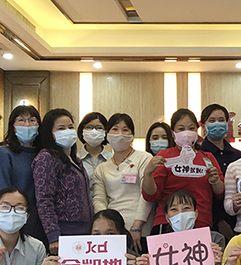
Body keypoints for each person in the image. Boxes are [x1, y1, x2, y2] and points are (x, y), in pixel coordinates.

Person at [142, 108, 225, 234]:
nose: (186, 133)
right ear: (173, 133)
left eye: (191, 128)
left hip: (201, 221)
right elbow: (151, 195)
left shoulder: (207, 158)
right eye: (181, 129)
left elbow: (220, 194)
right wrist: (148, 173)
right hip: (168, 222)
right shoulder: (164, 156)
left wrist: (215, 181)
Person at [32, 109, 92, 255]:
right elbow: (44, 199)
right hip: (63, 230)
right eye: (61, 128)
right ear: (50, 133)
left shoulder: (75, 159)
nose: (68, 131)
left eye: (70, 127)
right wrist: (53, 235)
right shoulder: (46, 157)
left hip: (84, 229)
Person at [92, 113, 153, 251]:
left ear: (132, 135)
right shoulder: (102, 168)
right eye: (115, 129)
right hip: (112, 231)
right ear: (107, 134)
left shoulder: (144, 158)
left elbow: (146, 194)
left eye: (125, 130)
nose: (120, 134)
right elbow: (99, 199)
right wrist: (106, 225)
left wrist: (137, 226)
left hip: (140, 229)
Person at [0, 105, 47, 246]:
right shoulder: (4, 153)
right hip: (15, 220)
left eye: (32, 120)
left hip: (43, 223)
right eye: (21, 120)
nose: (27, 125)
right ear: (13, 127)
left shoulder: (45, 155)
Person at [199, 104, 241, 238]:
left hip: (238, 219)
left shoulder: (239, 156)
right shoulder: (198, 155)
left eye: (221, 120)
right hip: (208, 220)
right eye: (212, 120)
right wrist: (219, 220)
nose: (217, 124)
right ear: (203, 126)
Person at [76, 112, 112, 196]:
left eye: (99, 128)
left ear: (106, 131)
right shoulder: (75, 159)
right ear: (82, 130)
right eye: (89, 127)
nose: (94, 131)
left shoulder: (113, 159)